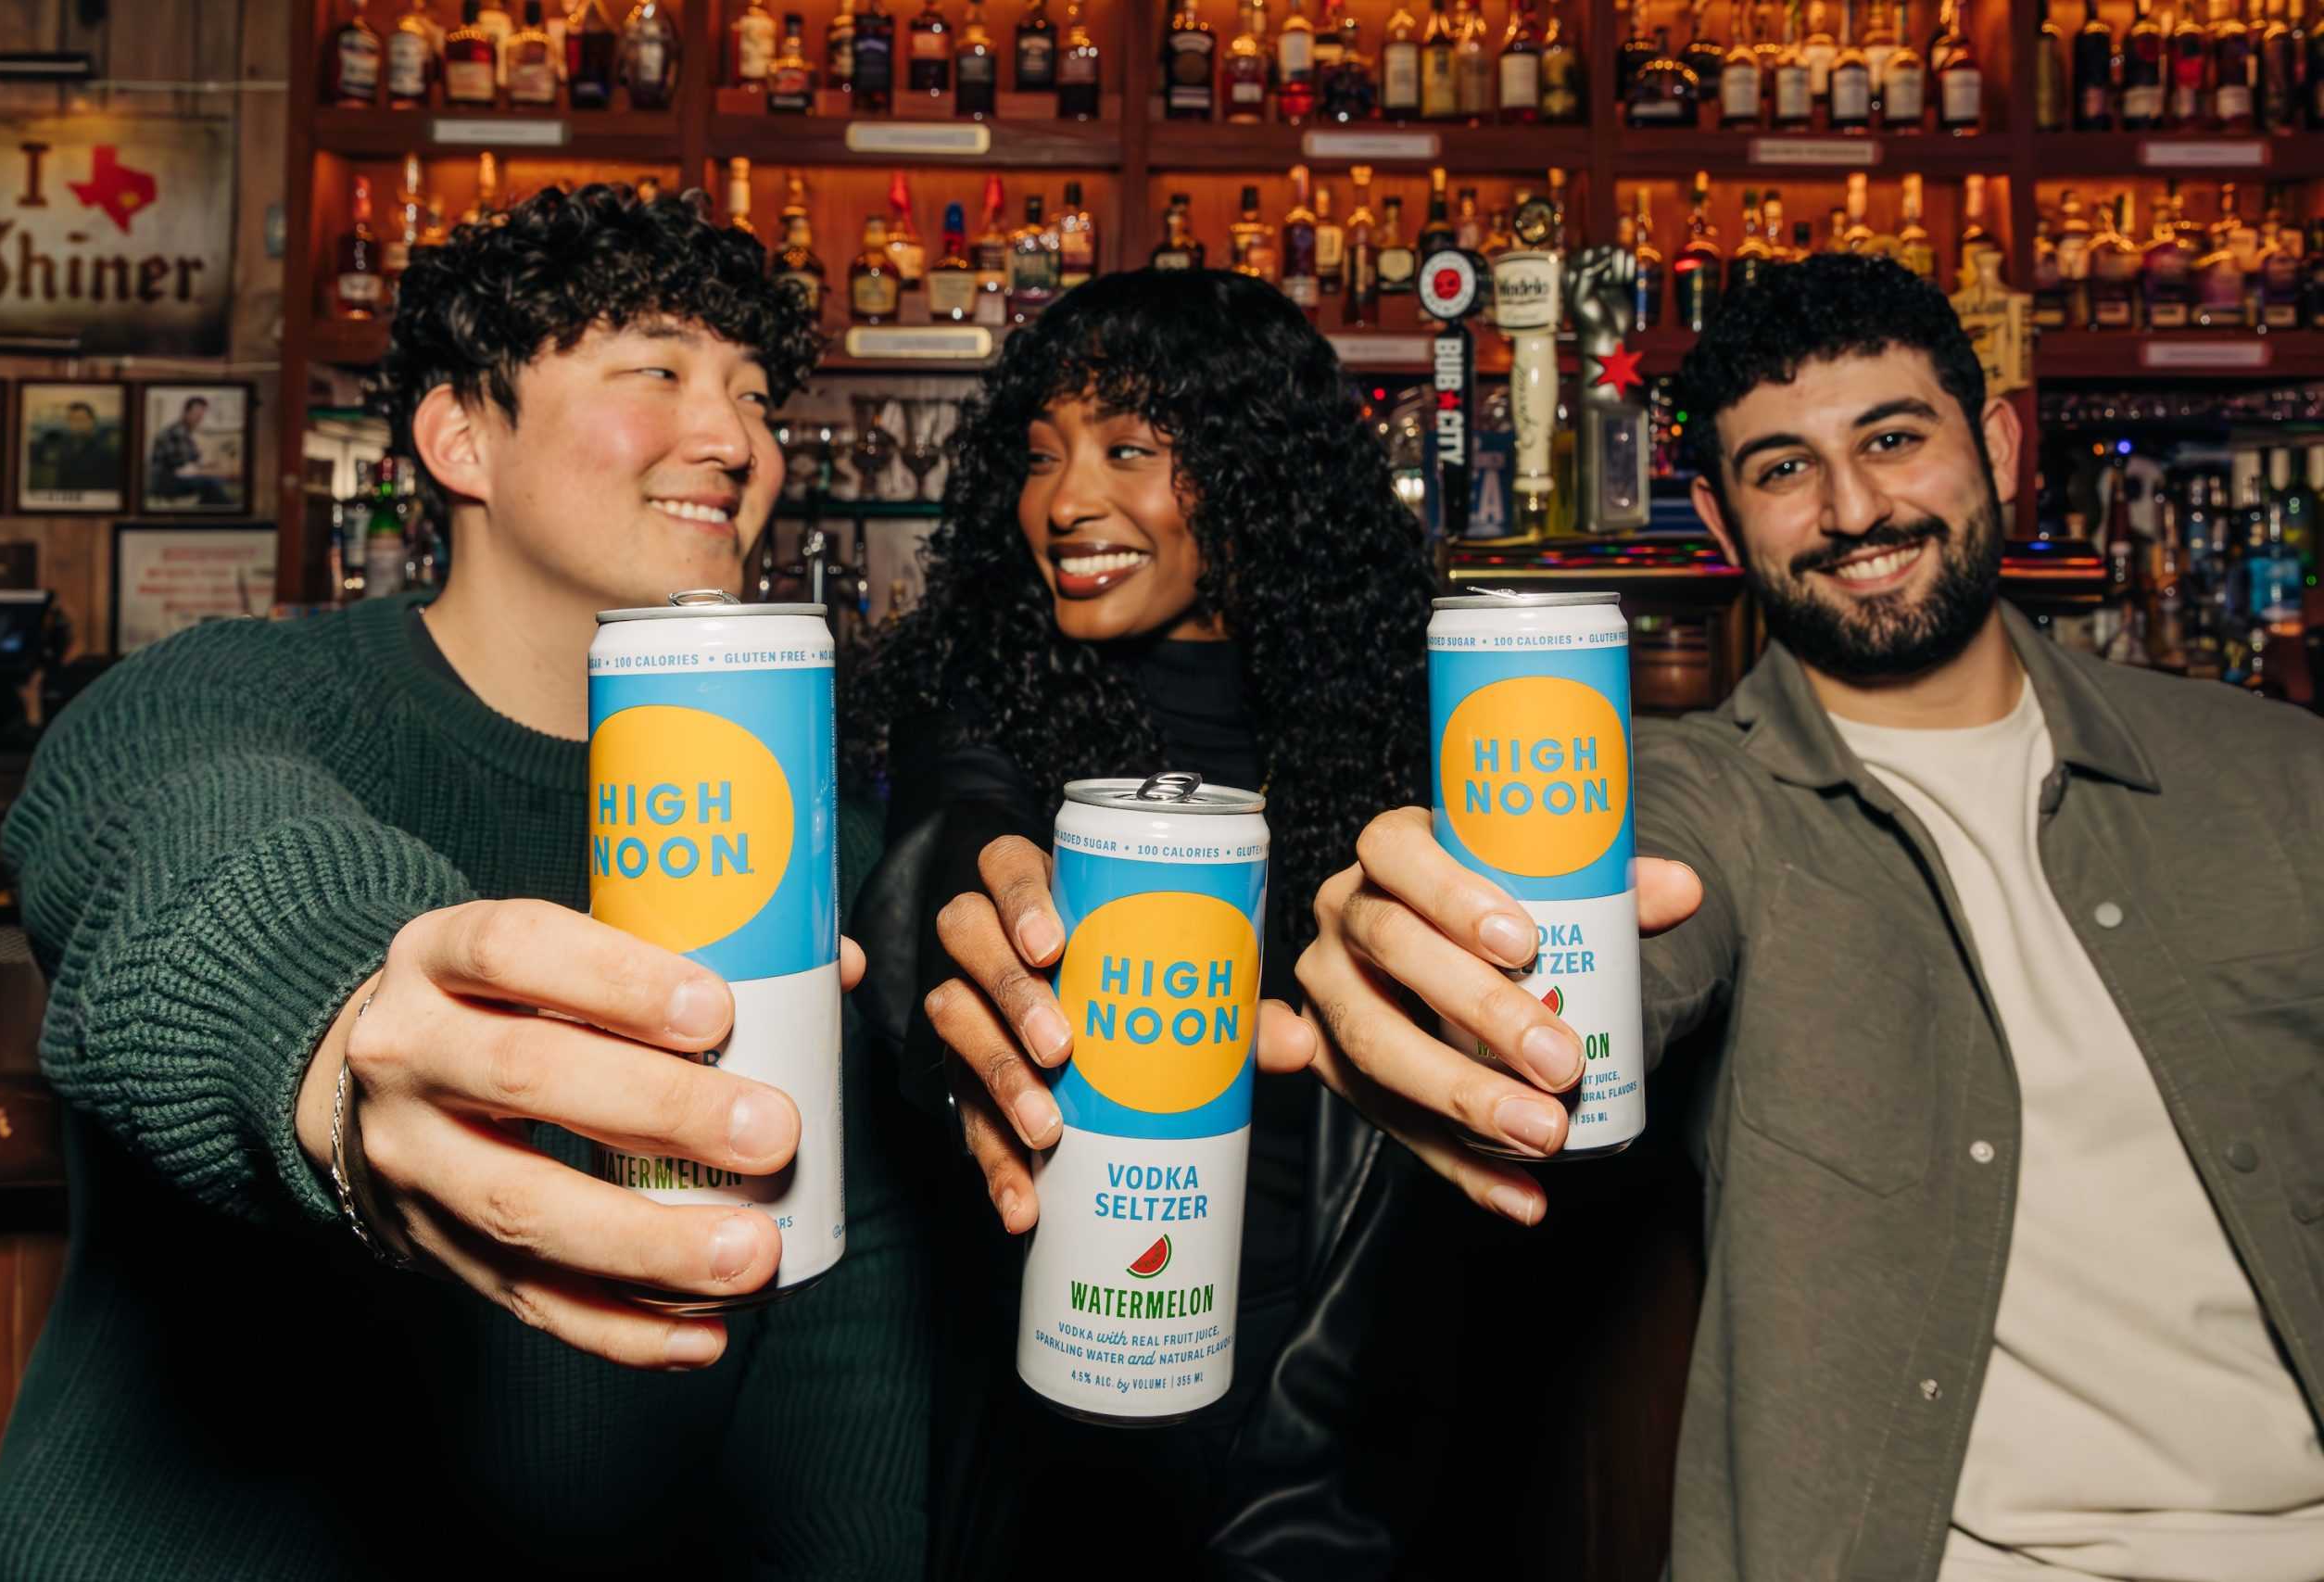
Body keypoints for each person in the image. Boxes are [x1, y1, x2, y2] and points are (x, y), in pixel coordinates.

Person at [1253, 253, 2324, 1578]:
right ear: (1718, 517)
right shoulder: (1702, 794)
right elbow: (1616, 919)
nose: (1854, 507)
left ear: (1995, 442)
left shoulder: (2283, 776)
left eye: (1892, 438)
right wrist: (1444, 970)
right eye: (1782, 468)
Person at [0, 184, 929, 1579]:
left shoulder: (802, 830)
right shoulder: (234, 692)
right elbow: (183, 826)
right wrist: (350, 1026)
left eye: (757, 395)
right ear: (460, 436)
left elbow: (840, 1358)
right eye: (656, 369)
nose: (736, 442)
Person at [853, 269, 1467, 1576]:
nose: (1065, 501)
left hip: (1334, 1407)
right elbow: (945, 857)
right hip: (1069, 1399)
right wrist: (975, 928)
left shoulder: (1397, 715)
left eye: (1127, 448)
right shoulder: (988, 690)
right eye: (1039, 454)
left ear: (1254, 474)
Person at [146, 395, 234, 507]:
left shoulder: (186, 434)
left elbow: (191, 461)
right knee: (211, 483)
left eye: (202, 416)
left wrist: (207, 466)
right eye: (196, 415)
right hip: (166, 482)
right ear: (186, 413)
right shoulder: (175, 432)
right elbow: (181, 465)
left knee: (215, 483)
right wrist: (205, 469)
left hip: (176, 477)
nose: (199, 419)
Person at [29, 400, 121, 495]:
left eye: (81, 419)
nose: (77, 424)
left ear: (92, 421)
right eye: (72, 419)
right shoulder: (65, 448)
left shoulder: (105, 453)